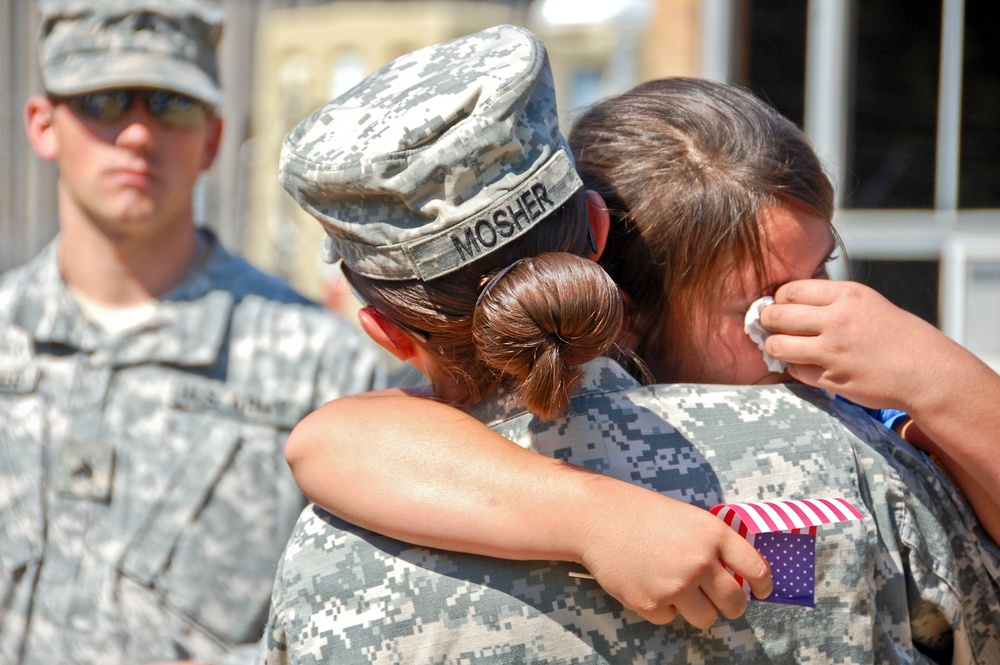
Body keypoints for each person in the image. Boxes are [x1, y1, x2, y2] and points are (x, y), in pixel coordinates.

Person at [261, 26, 1000, 664]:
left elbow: (327, 440)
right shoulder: (847, 477)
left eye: (822, 271)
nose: (821, 319)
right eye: (760, 308)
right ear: (608, 265)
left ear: (386, 331)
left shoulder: (343, 538)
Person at [0, 2, 391, 663]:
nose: (137, 134)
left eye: (169, 105)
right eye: (103, 101)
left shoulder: (326, 367)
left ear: (212, 138)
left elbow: (374, 617)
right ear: (43, 124)